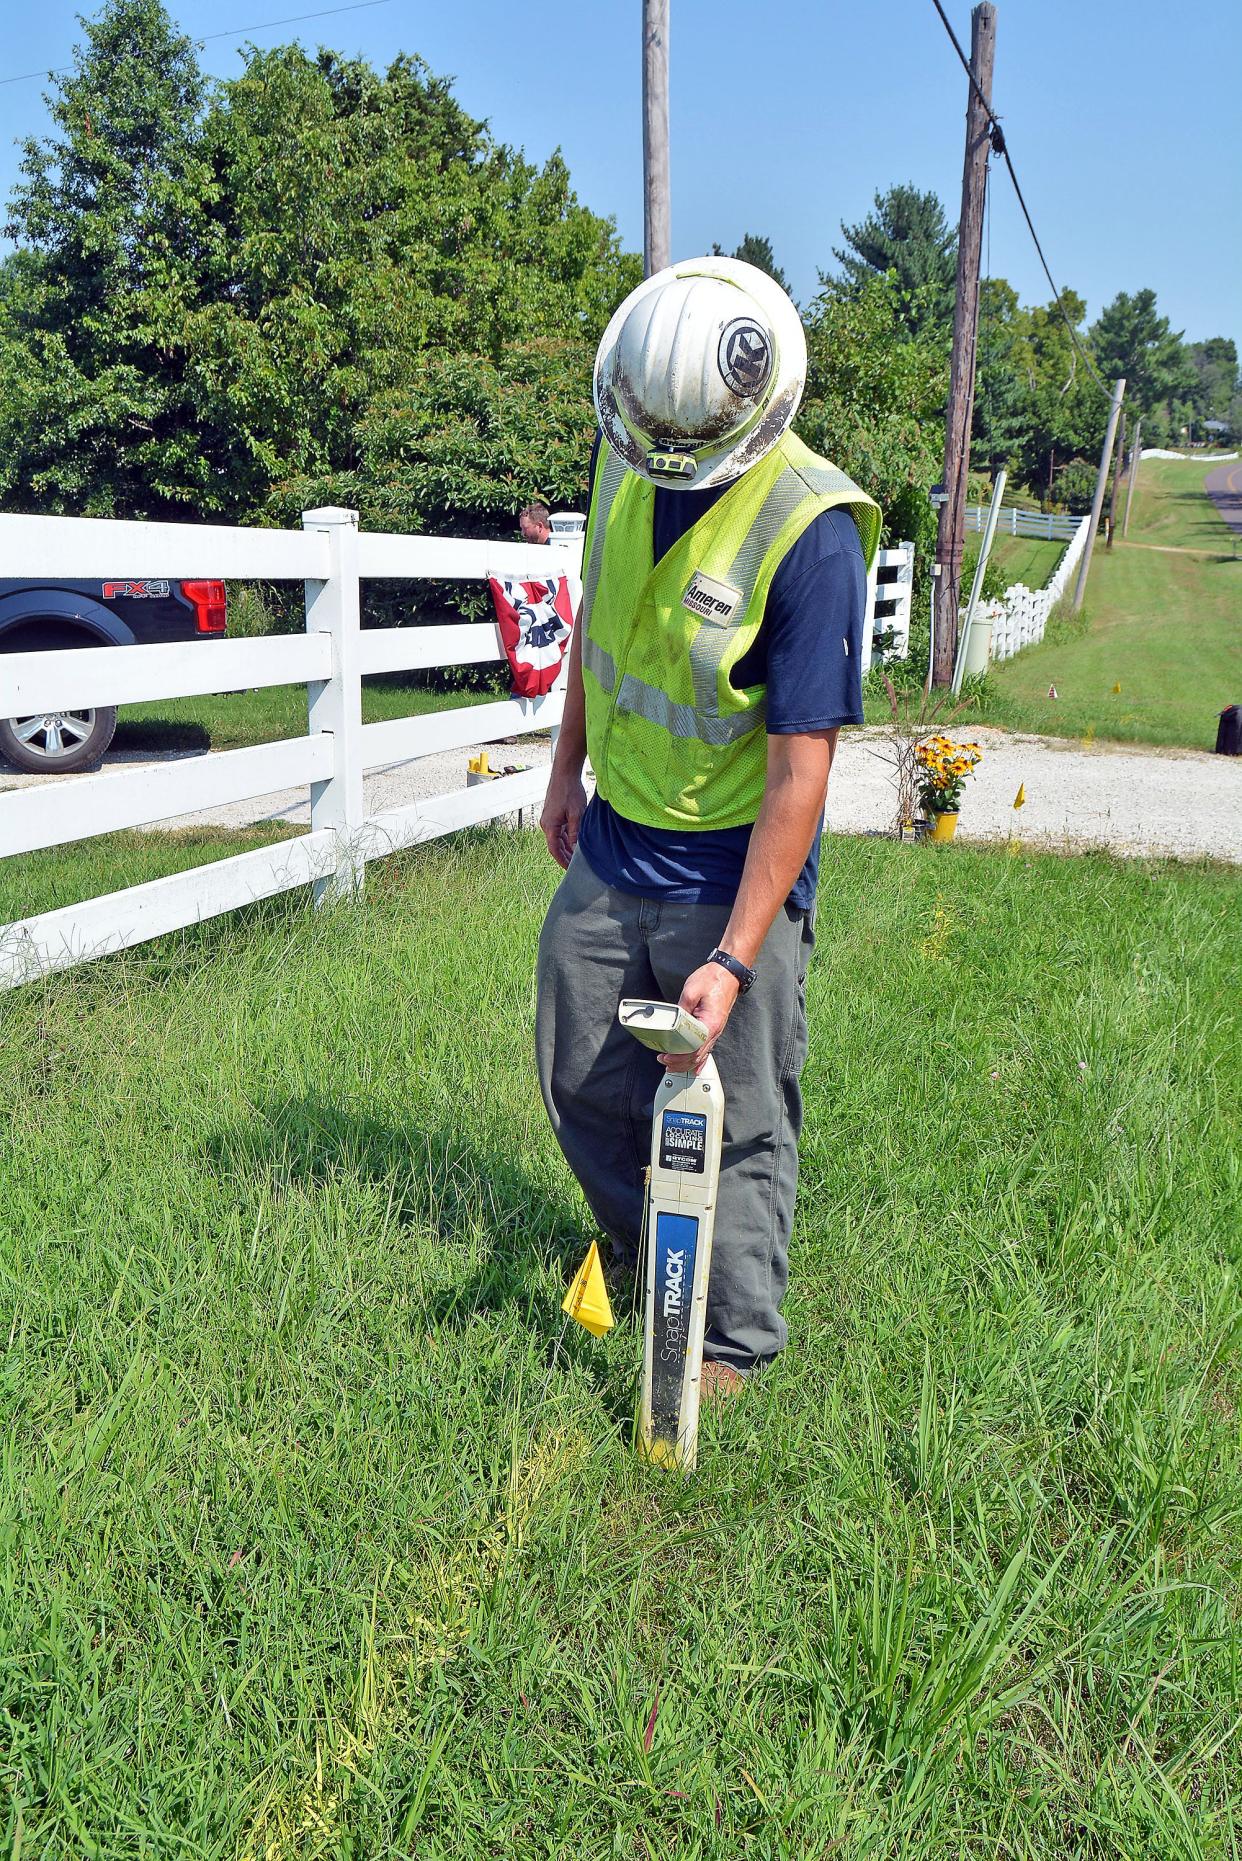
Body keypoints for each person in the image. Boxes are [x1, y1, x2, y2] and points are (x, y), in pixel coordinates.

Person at [535, 256, 880, 1401]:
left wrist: (738, 951)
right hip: (615, 840)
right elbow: (603, 626)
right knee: (581, 1072)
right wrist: (565, 767)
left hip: (735, 870)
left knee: (734, 1115)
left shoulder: (811, 532)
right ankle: (646, 1254)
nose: (671, 468)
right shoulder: (632, 442)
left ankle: (728, 1341)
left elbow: (800, 770)